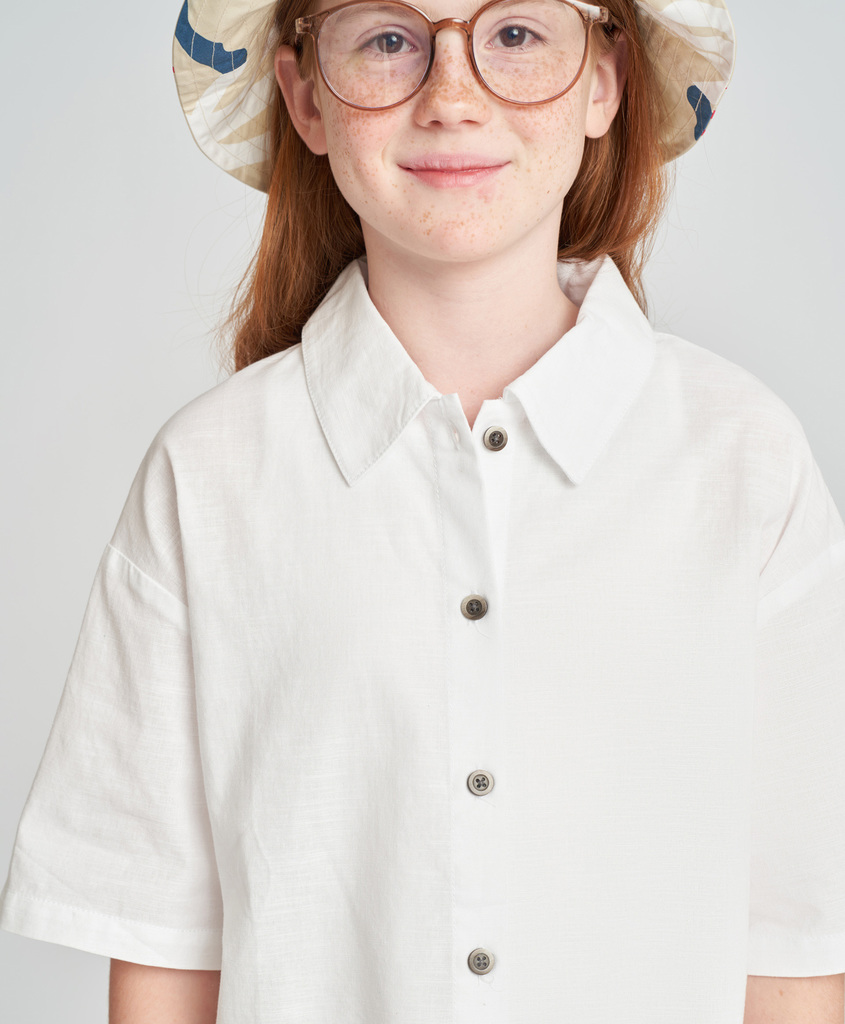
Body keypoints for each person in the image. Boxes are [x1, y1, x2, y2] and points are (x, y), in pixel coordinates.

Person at [1, 0, 843, 1021]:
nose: (451, 98)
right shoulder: (207, 477)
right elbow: (162, 949)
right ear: (305, 96)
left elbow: (797, 942)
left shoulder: (744, 462)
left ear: (602, 81)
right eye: (388, 39)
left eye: (516, 35)